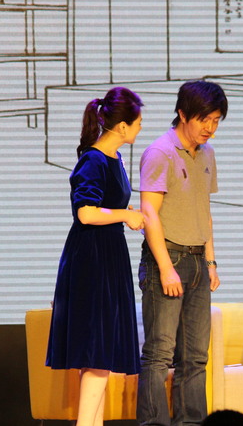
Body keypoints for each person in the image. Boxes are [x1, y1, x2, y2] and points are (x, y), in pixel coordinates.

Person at [46, 86, 146, 426]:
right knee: (97, 354)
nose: (140, 127)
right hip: (92, 259)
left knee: (99, 355)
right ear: (122, 126)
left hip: (109, 255)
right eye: (138, 122)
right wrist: (125, 215)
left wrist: (125, 213)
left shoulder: (114, 159)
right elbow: (86, 213)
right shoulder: (93, 159)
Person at [137, 80, 228, 426]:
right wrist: (165, 267)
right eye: (205, 119)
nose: (210, 128)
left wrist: (211, 262)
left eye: (216, 120)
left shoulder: (207, 153)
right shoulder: (160, 152)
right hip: (168, 258)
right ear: (183, 114)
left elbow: (204, 211)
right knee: (159, 354)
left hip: (197, 261)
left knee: (195, 357)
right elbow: (149, 213)